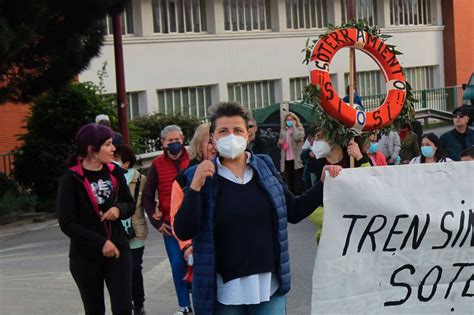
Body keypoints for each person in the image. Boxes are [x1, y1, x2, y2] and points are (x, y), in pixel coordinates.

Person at [173, 101, 341, 315]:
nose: (231, 136)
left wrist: (323, 183)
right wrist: (195, 187)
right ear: (213, 138)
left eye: (237, 130)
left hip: (268, 287)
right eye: (223, 131)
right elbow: (184, 229)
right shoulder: (201, 175)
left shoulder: (265, 166)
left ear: (248, 134)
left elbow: (294, 210)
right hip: (225, 292)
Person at [56, 123, 135, 314]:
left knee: (123, 307)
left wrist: (119, 209)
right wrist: (100, 242)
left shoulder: (115, 172)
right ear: (92, 150)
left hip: (118, 249)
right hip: (85, 256)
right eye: (108, 144)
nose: (113, 149)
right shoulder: (71, 179)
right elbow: (67, 223)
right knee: (94, 309)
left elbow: (129, 204)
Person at [142, 125, 192, 314]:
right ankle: (184, 305)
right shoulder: (156, 164)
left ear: (183, 139)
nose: (174, 144)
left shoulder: (192, 159)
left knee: (195, 261)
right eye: (169, 141)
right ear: (163, 143)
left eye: (177, 140)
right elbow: (147, 195)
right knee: (178, 263)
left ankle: (199, 299)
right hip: (170, 224)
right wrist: (157, 223)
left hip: (192, 221)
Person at [170, 123, 218, 283]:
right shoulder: (184, 178)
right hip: (200, 248)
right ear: (199, 145)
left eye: (218, 140)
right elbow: (176, 214)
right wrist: (187, 245)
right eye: (210, 142)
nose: (215, 146)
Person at [307, 130, 372, 242]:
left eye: (320, 137)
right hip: (329, 237)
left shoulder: (356, 160)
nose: (316, 142)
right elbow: (309, 206)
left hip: (358, 233)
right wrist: (339, 217)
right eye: (315, 137)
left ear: (335, 138)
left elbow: (372, 186)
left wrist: (360, 158)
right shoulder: (315, 166)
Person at [113, 145, 148, 315]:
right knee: (121, 271)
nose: (113, 162)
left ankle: (139, 303)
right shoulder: (110, 180)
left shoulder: (141, 180)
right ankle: (126, 304)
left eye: (117, 159)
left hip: (136, 230)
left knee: (134, 268)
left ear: (126, 163)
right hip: (116, 232)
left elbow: (148, 202)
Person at [278, 112, 305, 194]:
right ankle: (291, 196)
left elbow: (297, 137)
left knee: (297, 179)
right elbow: (281, 143)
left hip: (296, 159)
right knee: (288, 179)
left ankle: (299, 195)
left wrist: (293, 127)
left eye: (291, 119)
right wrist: (280, 143)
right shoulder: (283, 131)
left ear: (295, 120)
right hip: (286, 158)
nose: (289, 121)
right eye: (287, 120)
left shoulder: (300, 129)